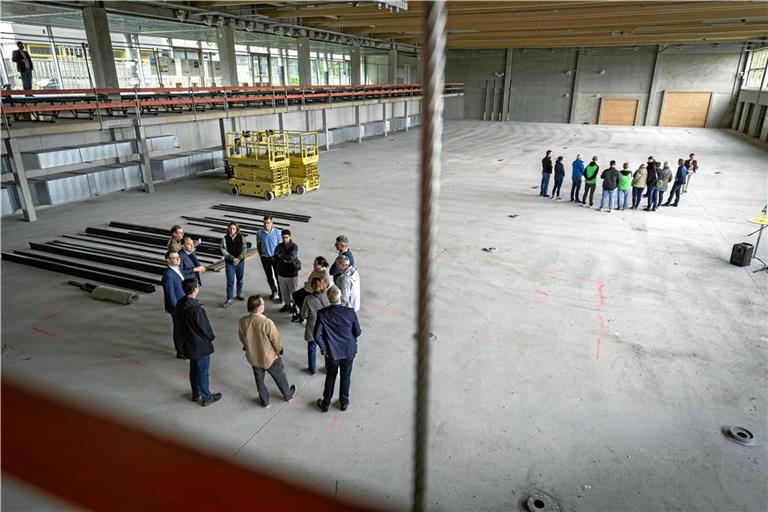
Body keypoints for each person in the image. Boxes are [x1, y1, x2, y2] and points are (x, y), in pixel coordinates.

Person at [238, 295, 297, 408]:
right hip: (269, 357)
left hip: (253, 358)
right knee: (279, 375)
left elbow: (242, 338)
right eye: (263, 304)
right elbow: (275, 339)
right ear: (258, 308)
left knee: (259, 380)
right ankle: (287, 394)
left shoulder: (242, 321)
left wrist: (247, 347)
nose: (264, 305)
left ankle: (265, 400)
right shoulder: (266, 322)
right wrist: (279, 351)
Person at [314, 286, 362, 412]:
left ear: (329, 299)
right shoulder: (350, 312)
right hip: (348, 351)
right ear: (340, 297)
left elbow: (316, 334)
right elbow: (357, 332)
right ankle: (343, 402)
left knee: (330, 376)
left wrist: (324, 348)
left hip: (331, 353)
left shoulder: (323, 314)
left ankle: (325, 404)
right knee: (346, 376)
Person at [175, 278, 221, 407]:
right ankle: (206, 397)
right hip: (200, 345)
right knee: (202, 371)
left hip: (188, 342)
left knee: (194, 369)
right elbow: (204, 328)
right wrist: (211, 337)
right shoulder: (196, 309)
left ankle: (196, 393)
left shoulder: (180, 303)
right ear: (195, 289)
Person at [300, 277, 331, 375]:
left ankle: (312, 370)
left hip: (312, 327)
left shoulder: (308, 299)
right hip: (325, 328)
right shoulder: (327, 296)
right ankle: (328, 368)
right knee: (326, 348)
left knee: (312, 349)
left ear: (313, 286)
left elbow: (303, 315)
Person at [292, 256, 334, 323]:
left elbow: (323, 289)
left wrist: (310, 288)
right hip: (308, 287)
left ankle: (303, 315)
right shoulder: (317, 269)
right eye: (314, 263)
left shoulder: (325, 276)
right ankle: (301, 313)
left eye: (315, 264)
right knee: (295, 295)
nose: (313, 265)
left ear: (321, 265)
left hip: (314, 292)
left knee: (304, 299)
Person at [161, 250, 185, 359]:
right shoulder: (168, 275)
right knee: (179, 329)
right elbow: (170, 295)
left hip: (183, 304)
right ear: (168, 260)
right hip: (177, 308)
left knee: (183, 327)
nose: (178, 259)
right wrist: (177, 309)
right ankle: (180, 351)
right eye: (174, 258)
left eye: (178, 257)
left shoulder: (177, 269)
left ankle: (184, 347)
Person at [255, 215, 282, 302]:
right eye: (264, 223)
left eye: (268, 223)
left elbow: (280, 246)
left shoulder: (277, 232)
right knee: (269, 276)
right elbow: (258, 245)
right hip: (265, 258)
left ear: (272, 223)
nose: (266, 225)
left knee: (278, 277)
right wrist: (261, 256)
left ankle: (281, 294)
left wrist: (279, 257)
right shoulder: (259, 232)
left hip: (275, 258)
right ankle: (274, 291)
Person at [221, 222, 246, 308]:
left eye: (234, 228)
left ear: (237, 229)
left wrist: (239, 258)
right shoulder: (225, 238)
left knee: (240, 279)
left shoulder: (241, 237)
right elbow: (223, 250)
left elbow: (244, 248)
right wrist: (233, 259)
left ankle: (239, 294)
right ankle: (229, 299)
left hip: (240, 263)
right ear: (228, 229)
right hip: (230, 264)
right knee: (230, 281)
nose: (232, 230)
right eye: (230, 228)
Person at [274, 229, 300, 312]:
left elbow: (291, 257)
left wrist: (281, 256)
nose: (285, 239)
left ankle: (295, 306)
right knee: (284, 291)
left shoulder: (294, 246)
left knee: (294, 292)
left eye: (286, 237)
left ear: (290, 237)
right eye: (283, 237)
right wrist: (284, 257)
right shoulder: (279, 246)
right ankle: (287, 305)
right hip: (281, 273)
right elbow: (275, 256)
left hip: (292, 274)